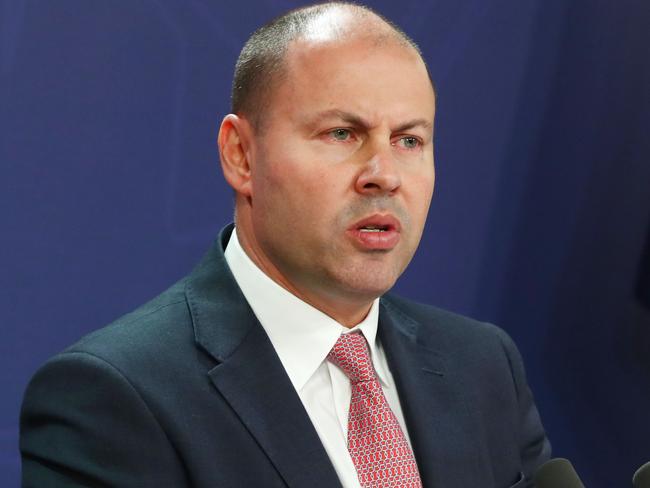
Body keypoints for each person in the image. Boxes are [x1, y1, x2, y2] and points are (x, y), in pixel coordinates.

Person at [20, 3, 551, 487]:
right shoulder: (113, 398)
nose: (384, 175)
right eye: (342, 133)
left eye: (409, 140)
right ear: (241, 156)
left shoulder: (483, 366)